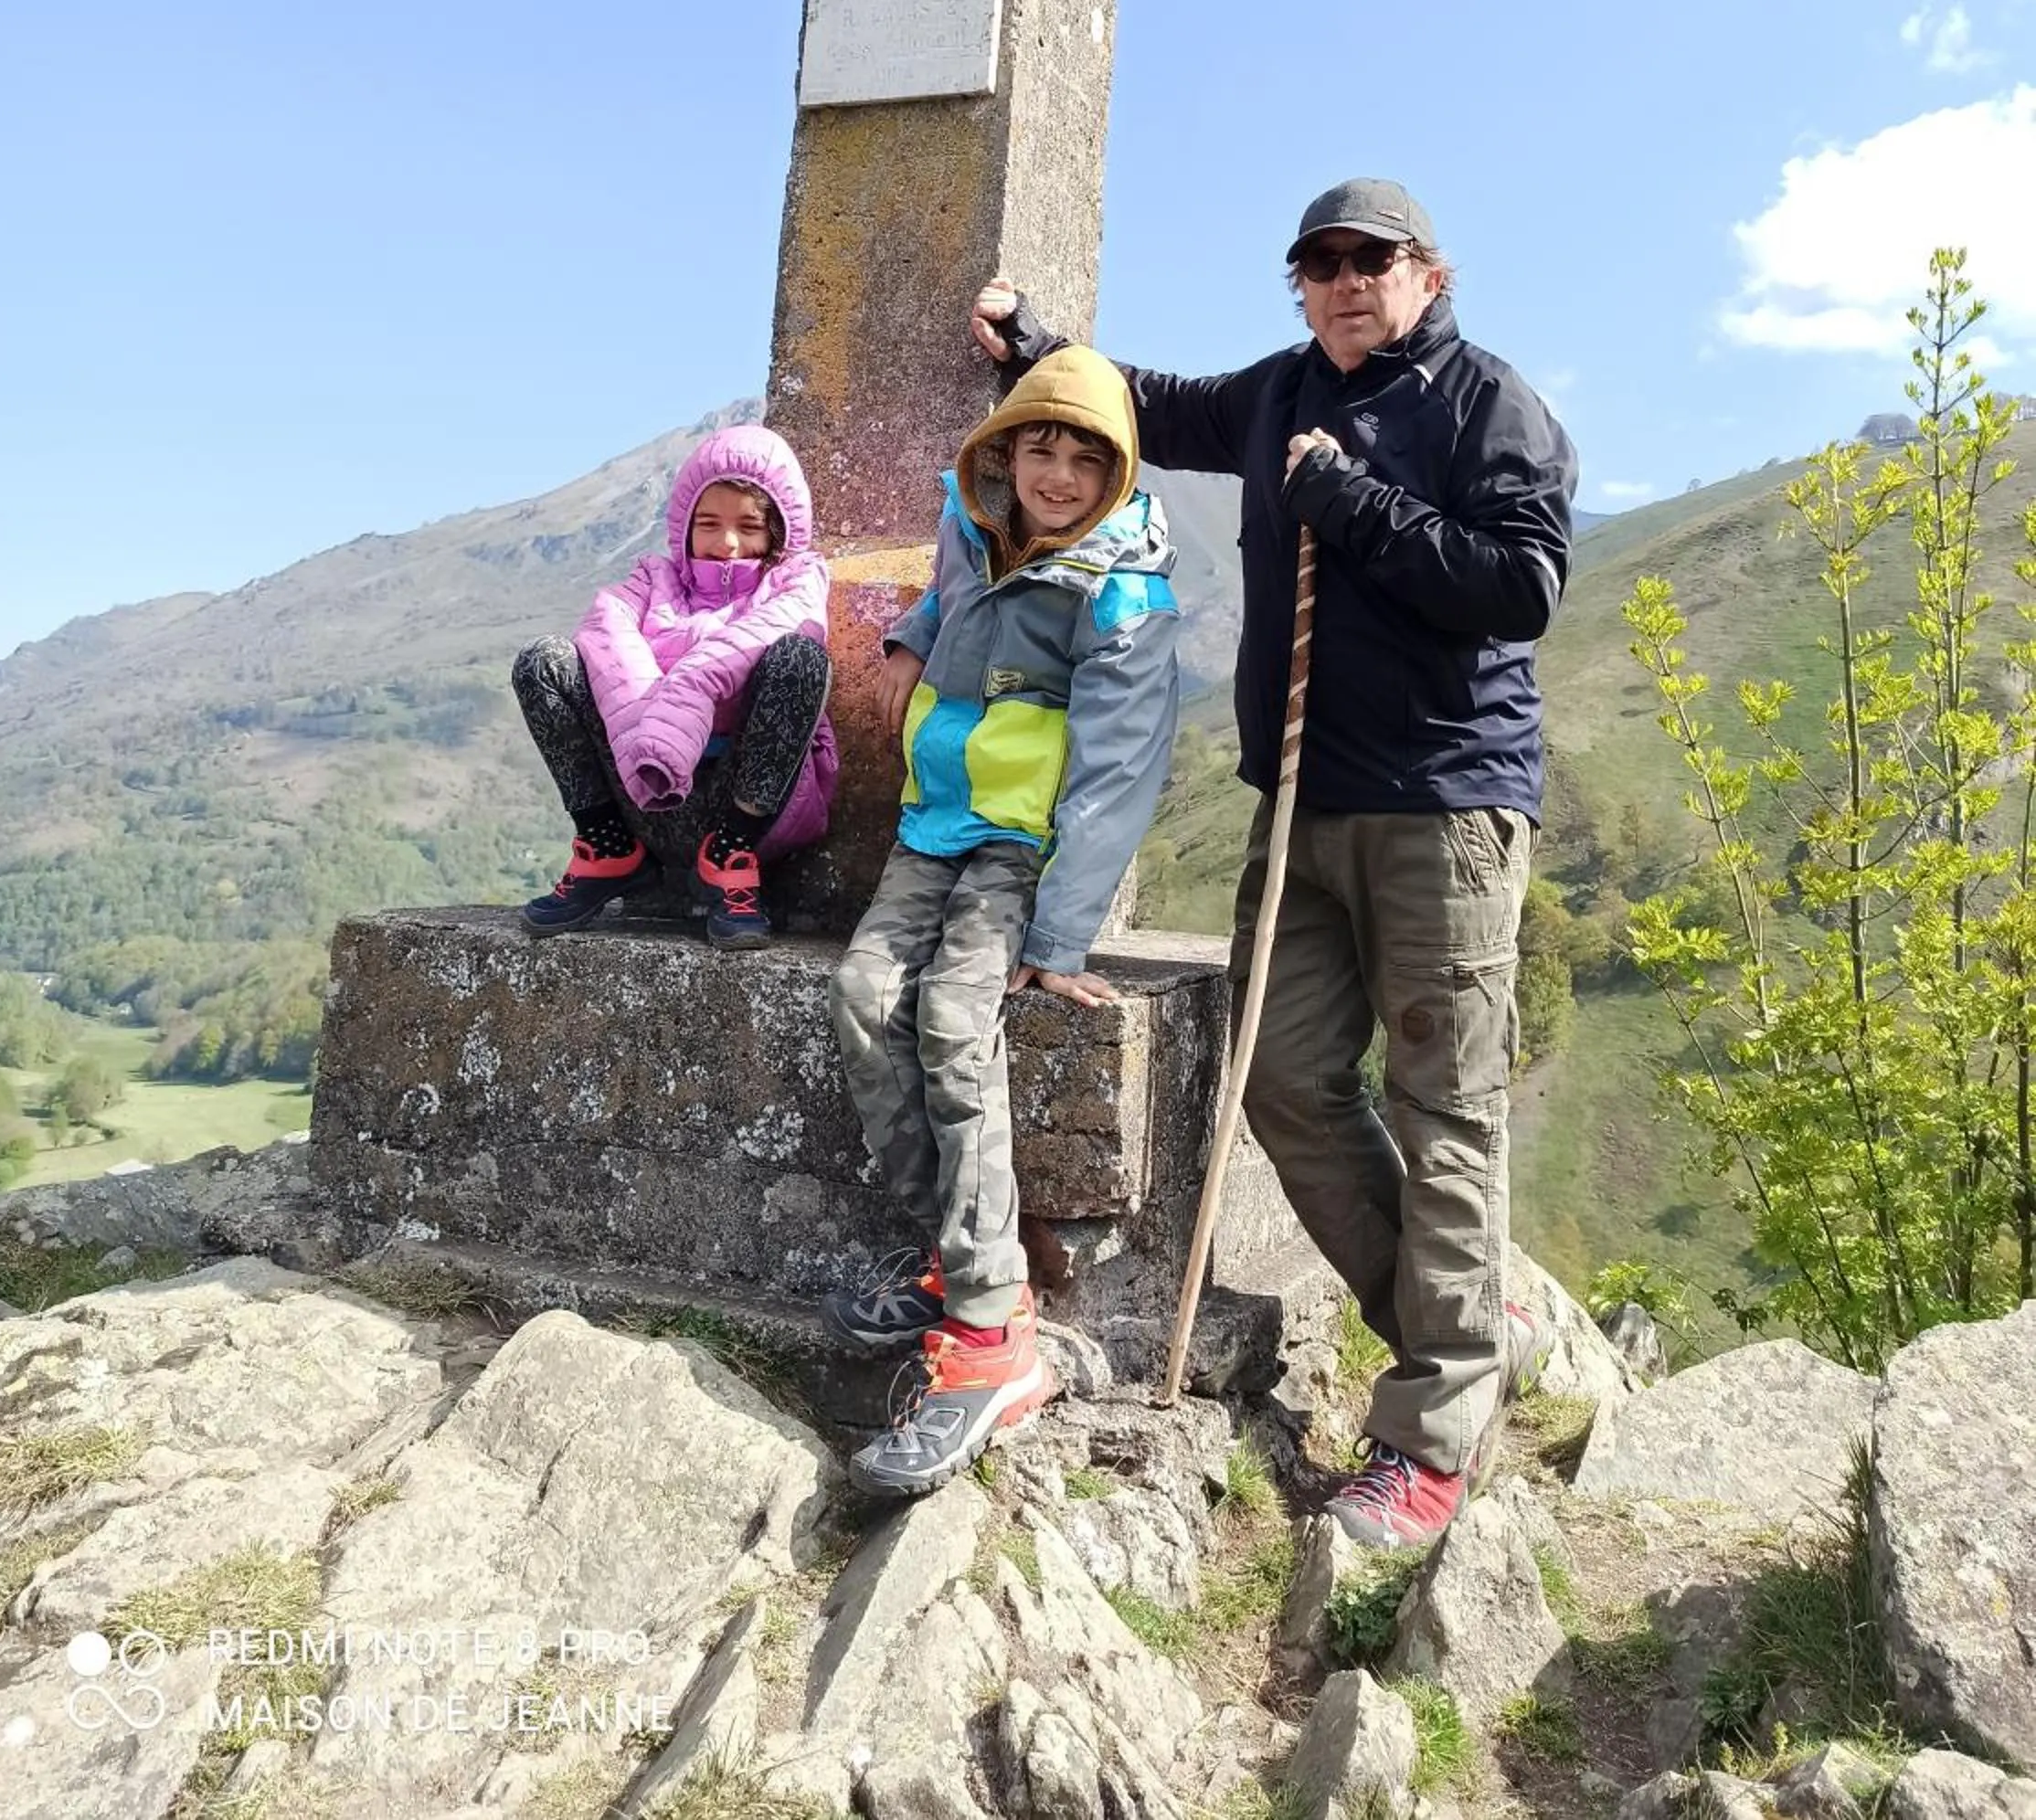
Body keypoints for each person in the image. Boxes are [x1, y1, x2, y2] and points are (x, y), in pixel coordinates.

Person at [972, 178, 1577, 1549]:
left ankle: (1431, 1433)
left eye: (1375, 260)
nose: (1347, 279)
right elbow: (1157, 403)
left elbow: (1519, 586)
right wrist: (1037, 349)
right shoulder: (1278, 388)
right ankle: (1459, 1326)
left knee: (1446, 1108)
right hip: (1300, 811)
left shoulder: (1492, 407)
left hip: (1445, 809)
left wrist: (1350, 502)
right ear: (1299, 284)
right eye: (1322, 262)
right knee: (1286, 1081)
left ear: (1432, 273)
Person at [827, 346, 1182, 1497]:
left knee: (950, 1019)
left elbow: (1120, 764)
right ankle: (958, 1249)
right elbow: (954, 595)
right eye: (1041, 444)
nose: (1060, 473)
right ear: (1004, 451)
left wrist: (1061, 936)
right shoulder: (972, 525)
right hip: (933, 822)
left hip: (1018, 847)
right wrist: (910, 637)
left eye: (1089, 456)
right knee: (862, 996)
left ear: (1118, 471)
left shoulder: (1119, 589)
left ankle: (994, 1339)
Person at [510, 422, 837, 950]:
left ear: (778, 533)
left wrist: (688, 694)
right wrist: (653, 729)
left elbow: (768, 632)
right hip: (643, 789)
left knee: (800, 658)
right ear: (683, 526)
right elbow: (605, 633)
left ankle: (730, 857)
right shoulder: (650, 582)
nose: (727, 542)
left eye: (749, 526)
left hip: (743, 802)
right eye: (708, 523)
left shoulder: (797, 579)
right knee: (545, 662)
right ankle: (607, 846)